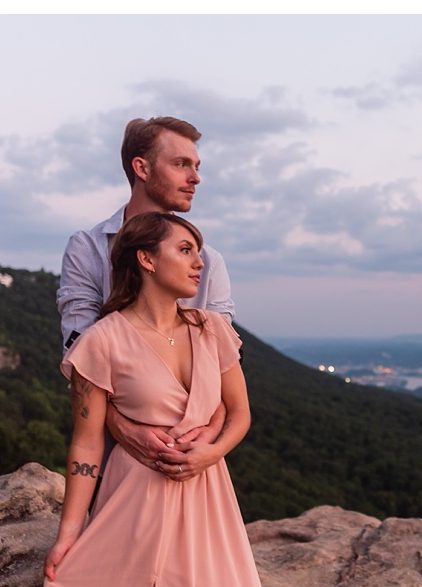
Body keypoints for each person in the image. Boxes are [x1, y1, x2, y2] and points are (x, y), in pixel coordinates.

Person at [44, 212, 260, 586]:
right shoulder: (100, 342)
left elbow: (240, 413)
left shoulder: (214, 330)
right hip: (135, 501)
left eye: (199, 252)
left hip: (209, 497)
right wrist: (69, 532)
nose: (199, 263)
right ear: (147, 259)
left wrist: (213, 452)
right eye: (185, 250)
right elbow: (87, 443)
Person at [57, 116, 234, 478]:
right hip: (115, 454)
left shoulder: (210, 262)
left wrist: (210, 436)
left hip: (195, 457)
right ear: (142, 167)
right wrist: (124, 428)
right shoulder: (88, 248)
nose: (195, 178)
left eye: (196, 166)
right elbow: (81, 355)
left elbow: (226, 362)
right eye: (181, 164)